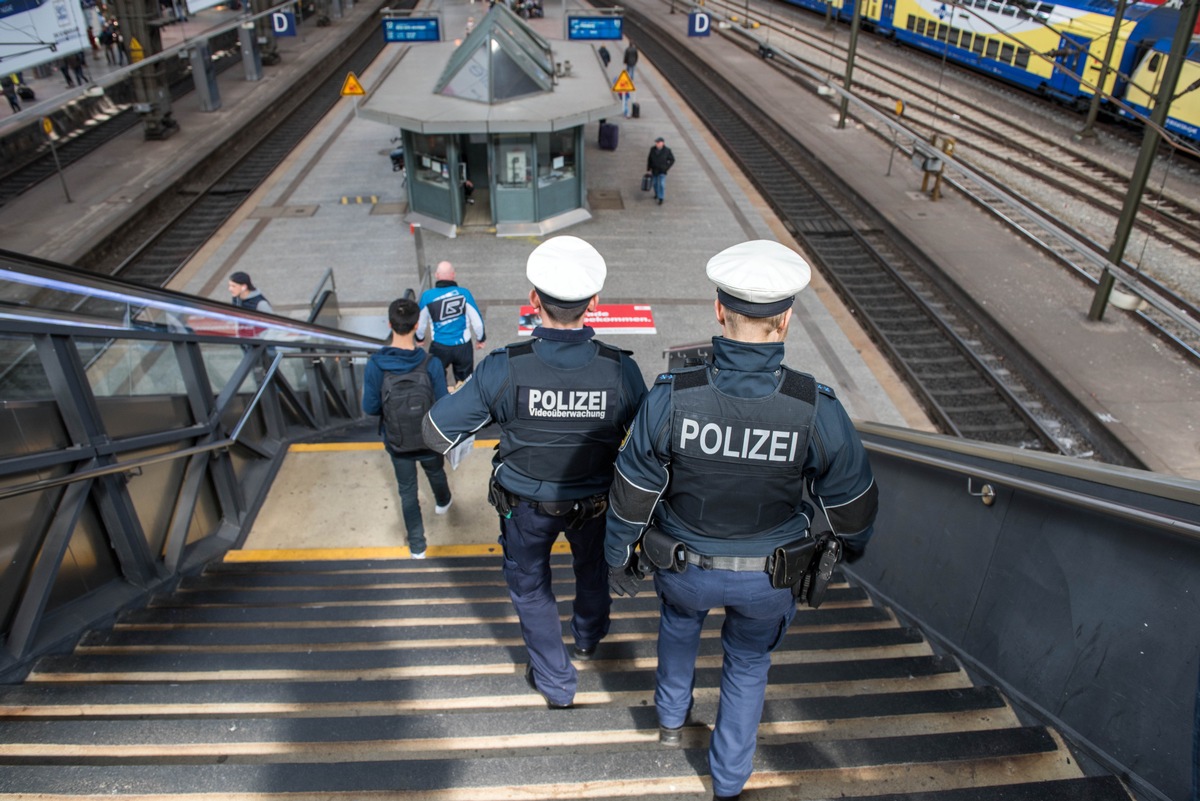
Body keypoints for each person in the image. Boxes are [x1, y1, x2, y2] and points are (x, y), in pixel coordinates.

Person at [604, 239, 878, 801]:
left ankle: (670, 722)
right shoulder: (815, 407)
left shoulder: (672, 397)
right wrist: (850, 549)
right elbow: (852, 503)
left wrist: (617, 557)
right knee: (749, 663)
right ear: (787, 319)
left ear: (718, 310)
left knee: (679, 628)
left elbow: (631, 488)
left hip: (682, 566)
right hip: (769, 577)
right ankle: (727, 781)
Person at [422, 236, 647, 709]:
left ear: (533, 301)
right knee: (593, 571)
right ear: (595, 305)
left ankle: (557, 684)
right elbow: (645, 449)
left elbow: (435, 434)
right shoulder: (621, 371)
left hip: (524, 510)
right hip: (597, 504)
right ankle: (587, 638)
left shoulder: (503, 368)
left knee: (530, 588)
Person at [363, 298, 454, 560]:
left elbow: (369, 407)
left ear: (390, 324)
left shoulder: (376, 365)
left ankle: (417, 546)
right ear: (417, 326)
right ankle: (443, 501)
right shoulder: (431, 364)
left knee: (407, 491)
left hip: (397, 441)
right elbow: (441, 405)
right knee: (435, 471)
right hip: (428, 438)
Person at [416, 261, 487, 387]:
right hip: (463, 347)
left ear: (437, 275)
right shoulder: (464, 293)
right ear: (453, 275)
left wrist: (419, 338)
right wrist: (480, 338)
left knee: (436, 381)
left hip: (439, 346)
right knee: (466, 384)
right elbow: (477, 322)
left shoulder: (427, 296)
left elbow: (420, 323)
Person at [646, 137, 675, 205]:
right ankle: (656, 193)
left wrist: (667, 167)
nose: (657, 144)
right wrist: (648, 168)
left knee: (661, 184)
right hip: (654, 169)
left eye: (658, 142)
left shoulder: (667, 150)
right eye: (656, 142)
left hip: (662, 170)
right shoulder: (652, 149)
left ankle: (661, 198)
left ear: (663, 143)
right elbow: (649, 158)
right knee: (655, 183)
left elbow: (672, 160)